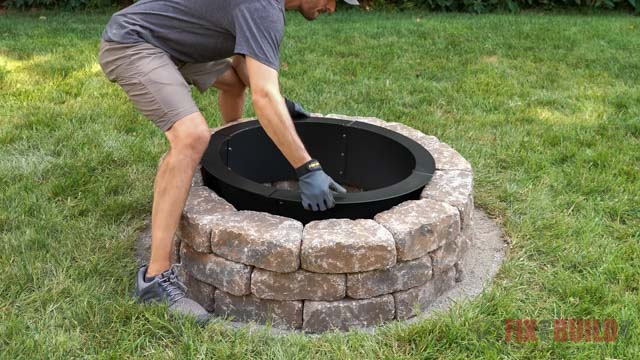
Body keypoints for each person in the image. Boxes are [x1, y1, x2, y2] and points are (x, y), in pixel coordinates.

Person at [98, 0, 359, 323]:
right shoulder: (264, 8)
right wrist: (307, 167)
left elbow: (243, 65)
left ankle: (226, 160)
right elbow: (262, 95)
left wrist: (278, 103)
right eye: (334, 0)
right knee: (190, 136)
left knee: (233, 81)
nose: (332, 8)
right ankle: (155, 279)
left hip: (174, 40)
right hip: (134, 41)